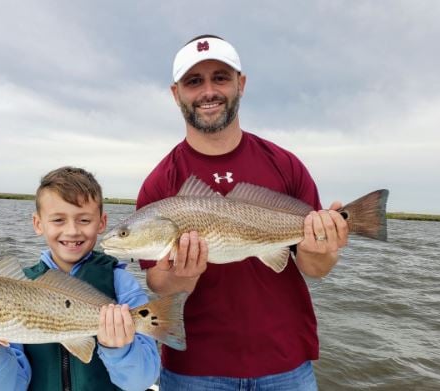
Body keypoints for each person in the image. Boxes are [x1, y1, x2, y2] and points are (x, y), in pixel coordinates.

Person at [137, 35, 349, 390]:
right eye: (194, 81)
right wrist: (183, 276)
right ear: (176, 94)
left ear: (241, 84)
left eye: (220, 77)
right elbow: (157, 282)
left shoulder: (285, 165)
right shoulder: (160, 183)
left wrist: (322, 250)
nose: (208, 91)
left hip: (286, 363)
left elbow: (315, 268)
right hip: (194, 369)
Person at [0, 166, 160, 390]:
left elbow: (142, 382)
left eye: (84, 220)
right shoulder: (15, 289)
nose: (72, 231)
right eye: (58, 220)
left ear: (102, 223)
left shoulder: (120, 282)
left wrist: (120, 349)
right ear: (38, 223)